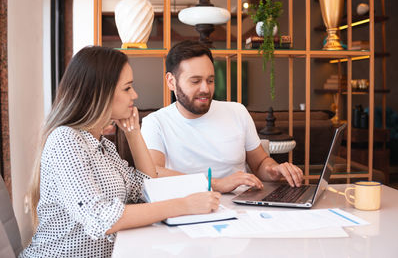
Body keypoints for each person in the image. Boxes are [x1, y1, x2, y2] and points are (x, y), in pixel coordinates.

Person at [20, 46, 220, 258]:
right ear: (100, 93)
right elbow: (102, 217)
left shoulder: (104, 146)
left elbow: (145, 190)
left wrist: (133, 135)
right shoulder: (65, 140)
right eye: (127, 88)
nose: (135, 94)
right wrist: (183, 205)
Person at [141, 40, 304, 193]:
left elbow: (260, 163)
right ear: (171, 81)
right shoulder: (155, 122)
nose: (205, 89)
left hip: (245, 207)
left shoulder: (237, 112)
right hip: (189, 209)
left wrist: (274, 170)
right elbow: (154, 172)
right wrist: (217, 184)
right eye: (195, 81)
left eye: (210, 80)